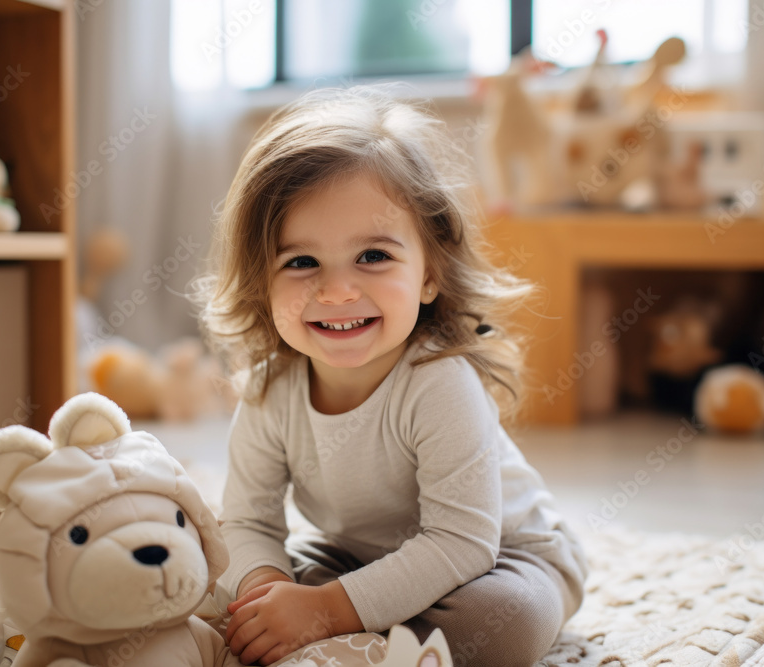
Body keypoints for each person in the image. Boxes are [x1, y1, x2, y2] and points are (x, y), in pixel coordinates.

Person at [195, 84, 587, 667]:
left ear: (430, 273)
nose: (337, 290)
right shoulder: (270, 389)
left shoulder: (439, 382)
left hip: (501, 555)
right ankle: (374, 637)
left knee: (503, 627)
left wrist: (322, 611)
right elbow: (249, 519)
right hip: (356, 555)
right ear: (261, 284)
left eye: (373, 257)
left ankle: (360, 635)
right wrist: (268, 596)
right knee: (224, 587)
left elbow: (461, 543)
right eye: (302, 262)